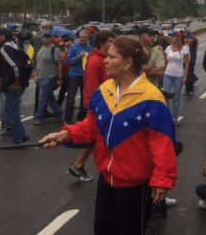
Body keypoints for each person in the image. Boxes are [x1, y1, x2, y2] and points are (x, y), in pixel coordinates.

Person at [39, 37, 178, 235]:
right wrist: (64, 135)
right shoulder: (103, 91)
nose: (105, 60)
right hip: (106, 180)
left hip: (135, 186)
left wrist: (162, 180)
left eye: (112, 57)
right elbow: (91, 127)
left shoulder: (152, 97)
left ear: (128, 62)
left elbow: (162, 144)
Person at [67, 30, 116, 183]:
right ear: (101, 43)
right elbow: (93, 87)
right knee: (99, 137)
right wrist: (96, 107)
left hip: (106, 104)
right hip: (101, 106)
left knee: (97, 137)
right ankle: (82, 165)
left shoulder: (103, 58)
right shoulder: (96, 61)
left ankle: (79, 165)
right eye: (110, 41)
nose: (113, 44)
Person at [0, 28, 30, 144]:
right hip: (21, 83)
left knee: (13, 113)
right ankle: (22, 134)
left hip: (13, 84)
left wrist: (17, 80)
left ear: (3, 36)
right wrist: (25, 78)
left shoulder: (4, 48)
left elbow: (14, 66)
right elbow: (28, 61)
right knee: (11, 110)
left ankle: (18, 140)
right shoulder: (15, 45)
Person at [32, 31, 64, 125]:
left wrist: (59, 78)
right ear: (42, 38)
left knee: (42, 98)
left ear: (51, 38)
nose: (46, 39)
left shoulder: (55, 49)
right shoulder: (41, 48)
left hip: (49, 78)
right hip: (41, 77)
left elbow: (60, 65)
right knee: (50, 97)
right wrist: (36, 75)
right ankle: (58, 115)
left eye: (48, 37)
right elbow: (39, 63)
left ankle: (38, 117)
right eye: (45, 37)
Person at [65, 30, 92, 124]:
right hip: (74, 75)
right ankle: (67, 118)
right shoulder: (73, 47)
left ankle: (80, 118)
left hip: (85, 76)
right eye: (81, 37)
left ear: (88, 38)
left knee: (84, 98)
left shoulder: (90, 48)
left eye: (84, 37)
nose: (82, 39)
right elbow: (69, 61)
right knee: (71, 97)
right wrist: (79, 57)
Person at [163, 31, 189, 126]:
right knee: (165, 97)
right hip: (168, 75)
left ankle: (174, 118)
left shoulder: (185, 49)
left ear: (178, 38)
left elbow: (186, 64)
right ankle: (165, 118)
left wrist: (185, 76)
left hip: (179, 76)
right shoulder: (168, 48)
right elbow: (166, 62)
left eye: (173, 36)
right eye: (171, 36)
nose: (171, 38)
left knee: (176, 98)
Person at [32, 20, 54, 115]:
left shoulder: (36, 36)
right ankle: (40, 111)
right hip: (44, 66)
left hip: (37, 63)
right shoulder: (46, 38)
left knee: (40, 90)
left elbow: (33, 47)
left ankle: (39, 109)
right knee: (43, 91)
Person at [56, 36, 75, 110]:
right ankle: (59, 104)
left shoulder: (72, 51)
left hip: (71, 73)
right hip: (66, 74)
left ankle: (71, 104)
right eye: (72, 41)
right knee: (64, 90)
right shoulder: (63, 53)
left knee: (71, 90)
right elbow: (62, 63)